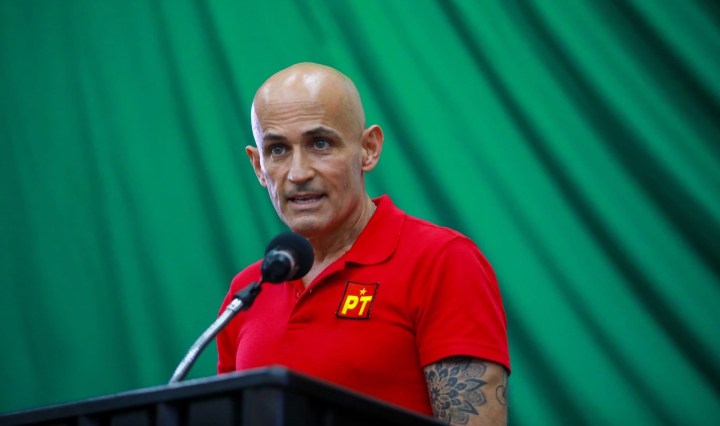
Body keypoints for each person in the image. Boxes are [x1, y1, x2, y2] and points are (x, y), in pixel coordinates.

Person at [217, 62, 510, 425]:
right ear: (258, 166)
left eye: (320, 144)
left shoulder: (442, 260)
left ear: (368, 149)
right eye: (277, 149)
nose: (298, 173)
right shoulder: (246, 291)